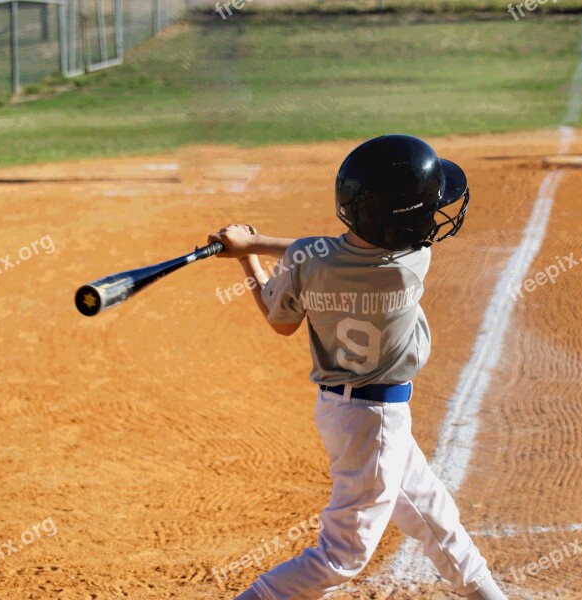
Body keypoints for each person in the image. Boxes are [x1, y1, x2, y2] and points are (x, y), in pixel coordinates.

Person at [208, 135, 507, 600]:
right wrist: (261, 242)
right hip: (377, 420)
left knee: (430, 510)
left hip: (349, 414)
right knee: (340, 557)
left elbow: (281, 317)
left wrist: (246, 253)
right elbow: (333, 252)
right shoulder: (412, 261)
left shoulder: (309, 261)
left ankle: (486, 592)